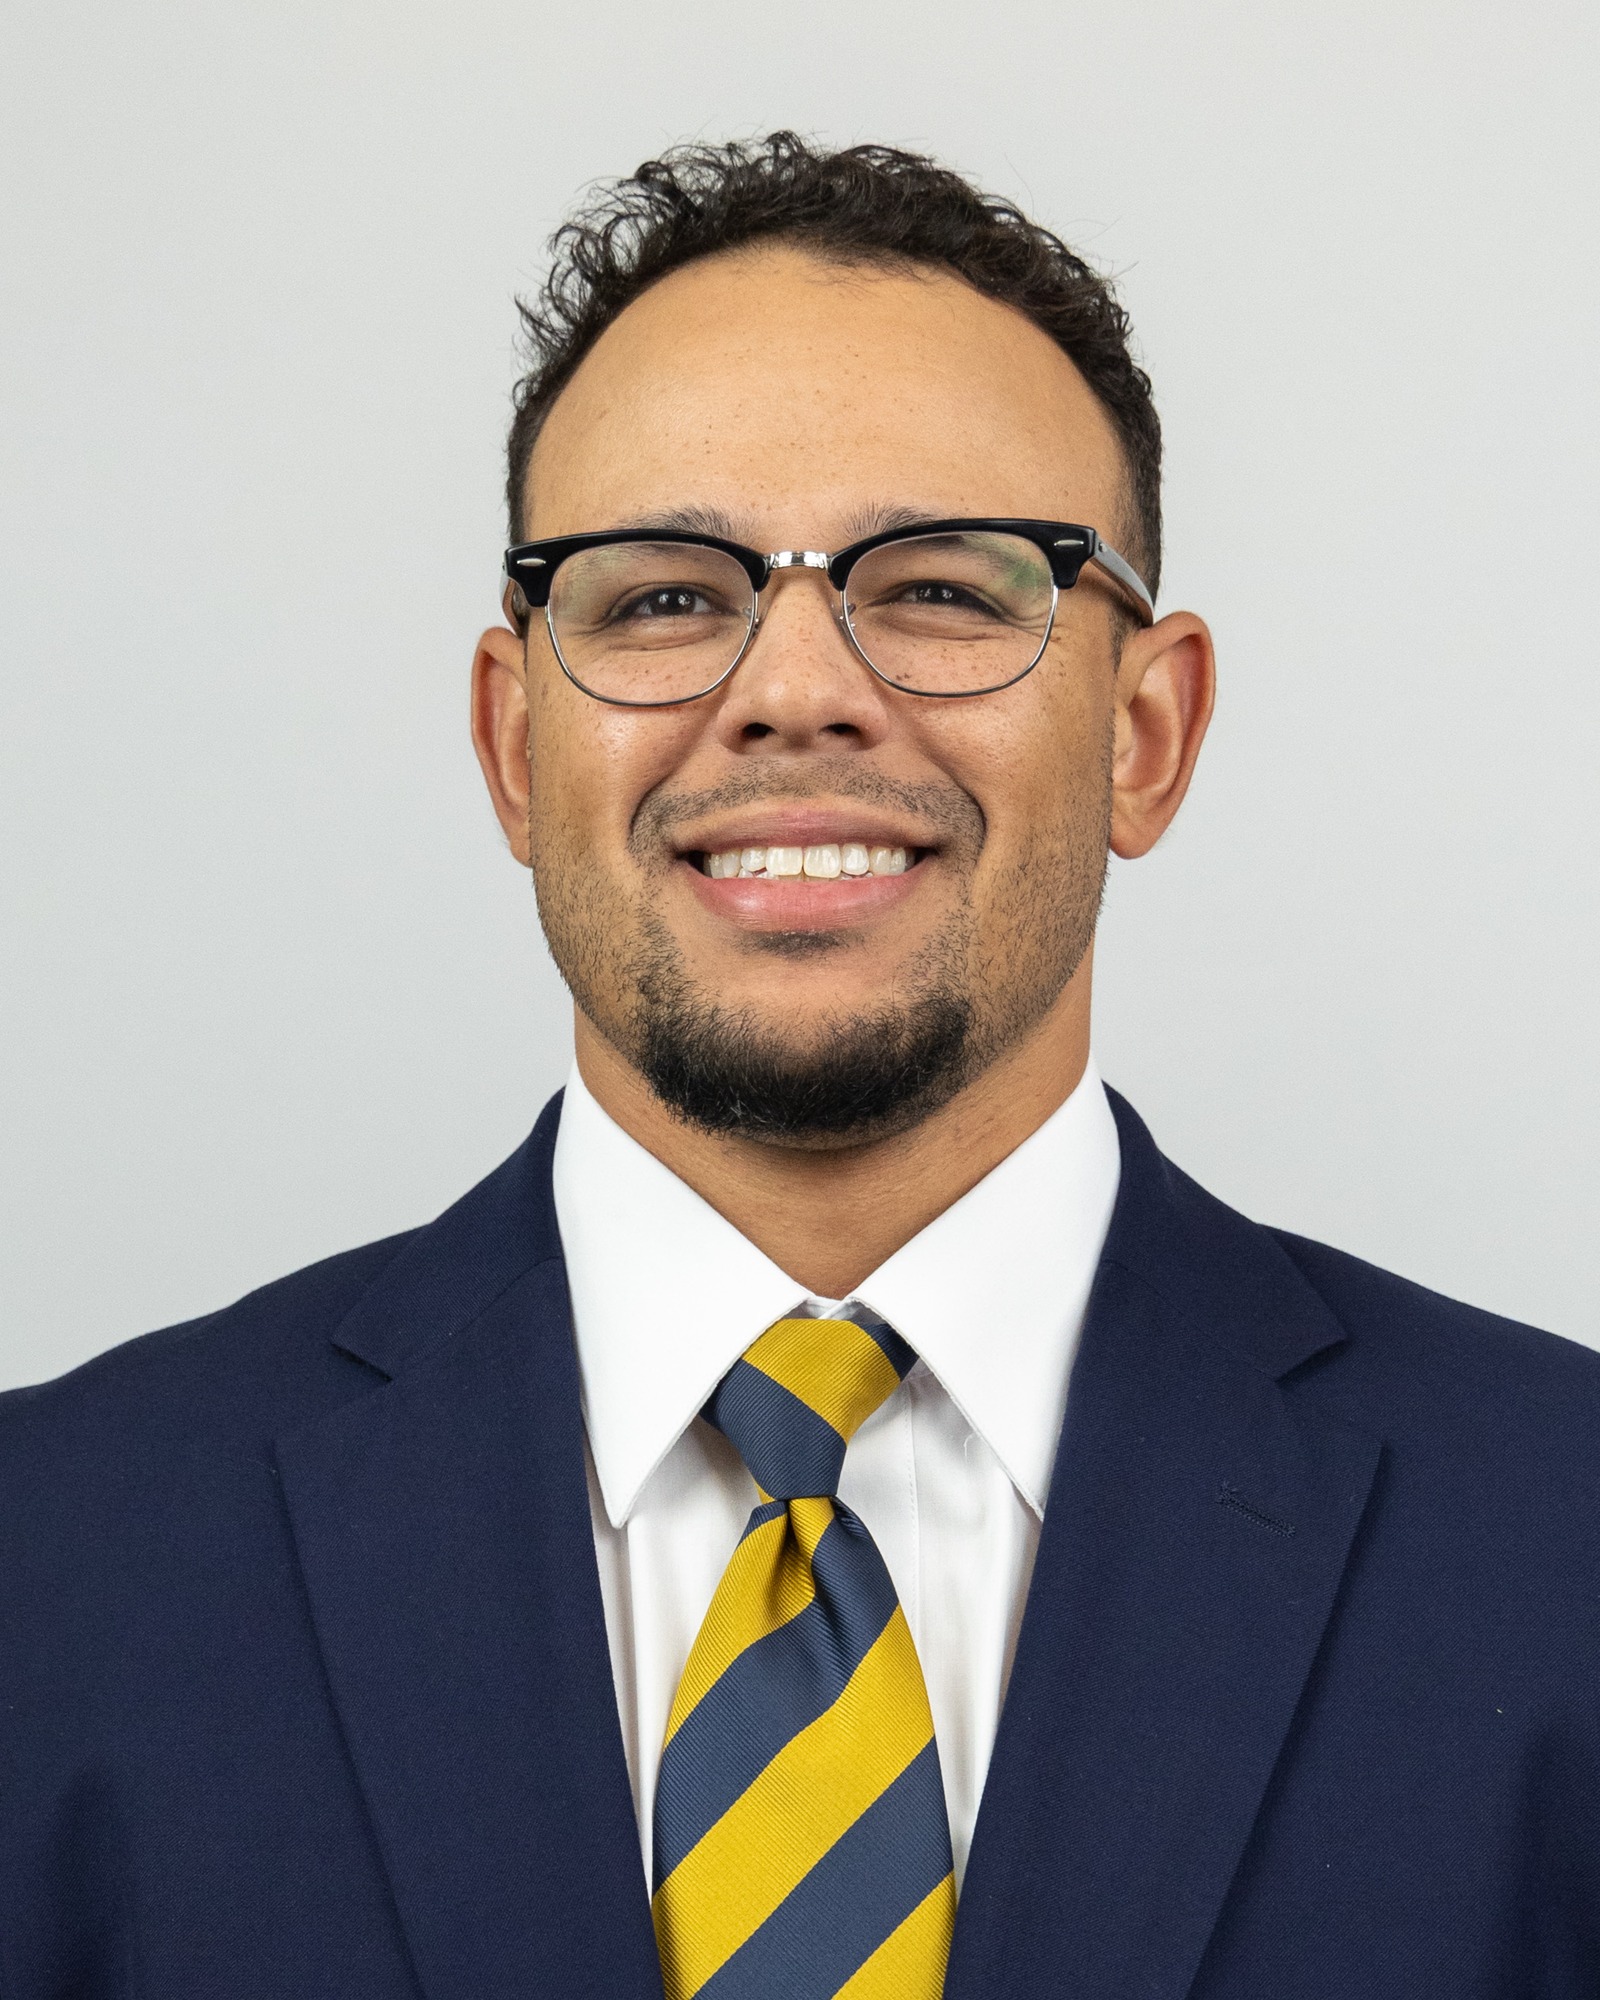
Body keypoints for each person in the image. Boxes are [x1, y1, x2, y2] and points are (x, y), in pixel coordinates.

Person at [2, 133, 1597, 2000]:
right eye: (665, 594)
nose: (794, 685)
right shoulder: (56, 1567)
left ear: (1147, 735)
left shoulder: (1562, 1544)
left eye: (940, 586)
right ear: (516, 753)